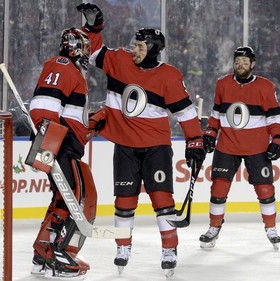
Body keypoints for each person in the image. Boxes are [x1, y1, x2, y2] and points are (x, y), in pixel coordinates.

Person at [76, 2, 206, 276]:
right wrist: (93, 27)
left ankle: (169, 249)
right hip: (124, 147)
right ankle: (123, 247)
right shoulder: (120, 60)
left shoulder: (169, 76)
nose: (134, 50)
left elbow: (185, 112)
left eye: (140, 46)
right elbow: (94, 50)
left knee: (163, 201)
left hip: (156, 148)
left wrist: (195, 141)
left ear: (154, 49)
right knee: (124, 202)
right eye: (134, 45)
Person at [27, 27, 106, 278]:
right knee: (75, 199)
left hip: (62, 143)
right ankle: (59, 255)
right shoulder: (62, 65)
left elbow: (69, 115)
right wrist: (49, 143)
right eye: (86, 47)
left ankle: (43, 253)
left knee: (65, 199)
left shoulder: (73, 72)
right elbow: (43, 107)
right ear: (76, 47)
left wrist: (91, 123)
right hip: (58, 143)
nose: (88, 53)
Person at [199, 46, 280, 250]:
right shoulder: (222, 84)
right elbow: (216, 114)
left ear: (252, 64)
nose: (240, 65)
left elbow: (274, 117)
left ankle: (271, 229)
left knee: (265, 190)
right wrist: (211, 132)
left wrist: (278, 139)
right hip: (227, 145)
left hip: (257, 147)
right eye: (237, 61)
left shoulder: (265, 86)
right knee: (218, 189)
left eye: (245, 62)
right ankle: (214, 227)